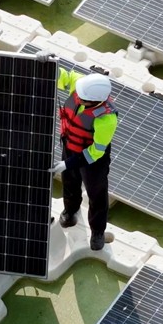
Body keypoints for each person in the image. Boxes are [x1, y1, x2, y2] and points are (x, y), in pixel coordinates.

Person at [50, 69, 118, 251]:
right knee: (69, 182)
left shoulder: (107, 119)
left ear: (95, 102)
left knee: (96, 193)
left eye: (83, 99)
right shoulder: (82, 85)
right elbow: (64, 76)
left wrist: (67, 163)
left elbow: (95, 152)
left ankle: (97, 231)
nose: (77, 99)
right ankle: (71, 211)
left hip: (93, 160)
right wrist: (49, 65)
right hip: (70, 146)